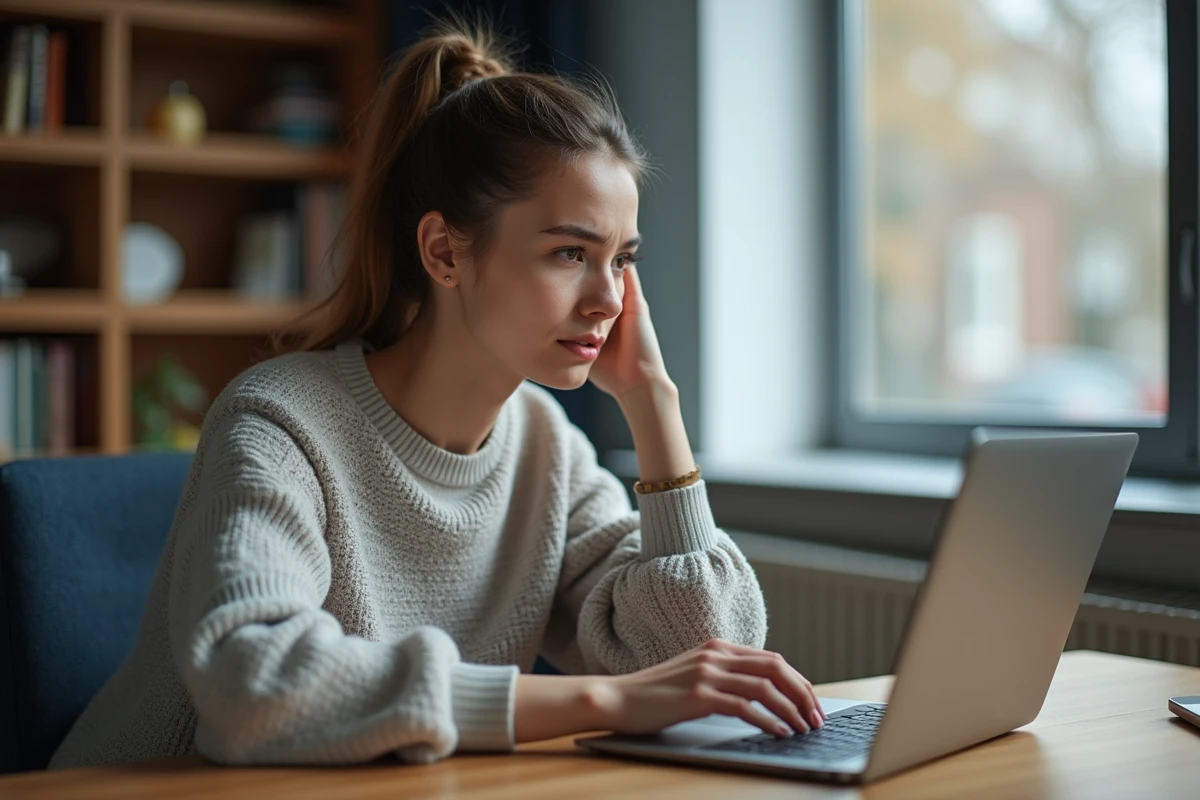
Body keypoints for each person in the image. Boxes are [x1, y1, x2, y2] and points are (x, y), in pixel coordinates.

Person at [50, 20, 824, 770]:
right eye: (568, 253)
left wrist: (656, 407)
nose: (608, 299)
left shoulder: (544, 445)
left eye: (621, 260)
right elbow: (254, 682)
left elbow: (701, 663)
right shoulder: (280, 423)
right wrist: (603, 702)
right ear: (444, 252)